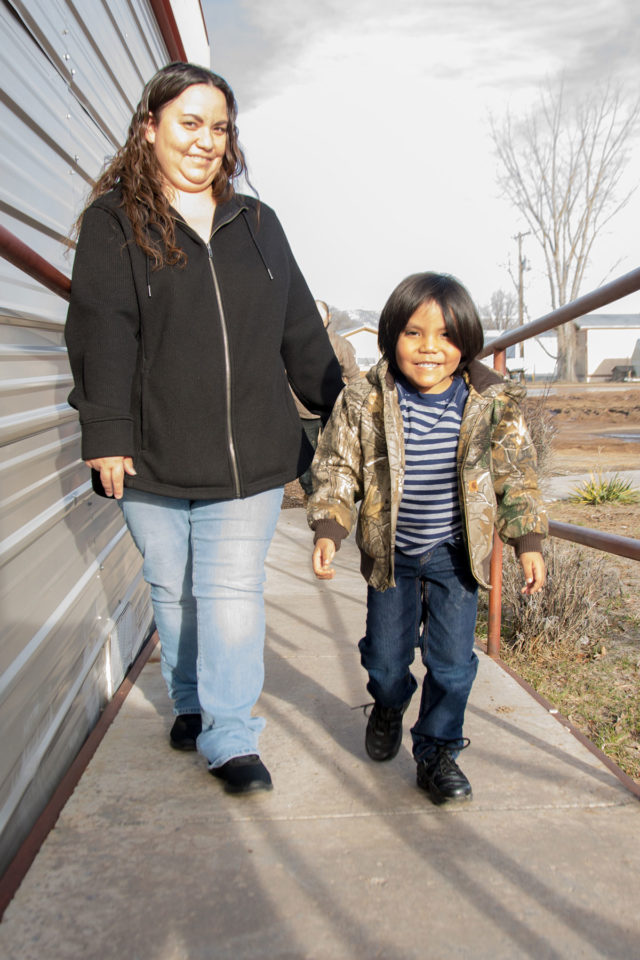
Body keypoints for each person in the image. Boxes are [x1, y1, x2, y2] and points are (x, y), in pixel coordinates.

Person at [65, 62, 344, 794]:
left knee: (229, 592)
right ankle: (189, 703)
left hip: (250, 452)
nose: (206, 140)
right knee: (173, 589)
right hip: (150, 450)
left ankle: (230, 733)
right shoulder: (114, 222)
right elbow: (102, 330)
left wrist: (346, 412)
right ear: (149, 128)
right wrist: (106, 432)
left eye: (219, 127)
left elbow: (300, 331)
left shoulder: (258, 224)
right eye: (189, 123)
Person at [307, 272, 547, 804]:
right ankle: (389, 703)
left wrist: (527, 539)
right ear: (391, 335)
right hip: (391, 553)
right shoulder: (365, 399)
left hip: (454, 555)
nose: (429, 348)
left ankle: (437, 751)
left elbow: (517, 475)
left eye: (445, 335)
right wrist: (330, 526)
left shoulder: (490, 403)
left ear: (467, 340)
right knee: (386, 661)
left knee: (453, 665)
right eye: (414, 333)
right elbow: (338, 466)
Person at [293, 299, 360, 497]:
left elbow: (354, 376)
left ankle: (334, 495)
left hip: (333, 409)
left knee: (335, 453)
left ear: (328, 318)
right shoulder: (294, 342)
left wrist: (353, 404)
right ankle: (311, 496)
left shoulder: (340, 345)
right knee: (304, 458)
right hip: (302, 411)